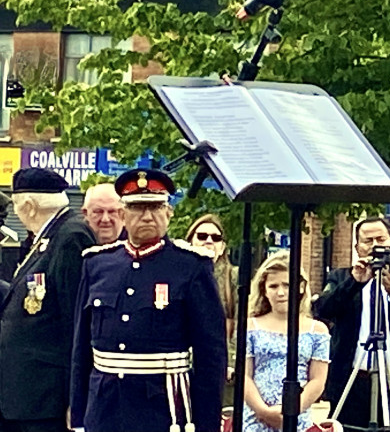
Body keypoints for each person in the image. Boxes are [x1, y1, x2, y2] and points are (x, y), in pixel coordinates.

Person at [69, 169, 227, 432]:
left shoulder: (191, 266)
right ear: (123, 215)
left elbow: (211, 355)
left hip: (162, 408)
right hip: (105, 405)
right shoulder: (97, 263)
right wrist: (78, 415)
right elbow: (81, 348)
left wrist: (206, 423)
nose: (147, 216)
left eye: (155, 208)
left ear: (168, 213)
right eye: (137, 208)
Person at [0, 169, 95, 432]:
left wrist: (74, 399)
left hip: (46, 399)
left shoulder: (70, 237)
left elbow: (75, 323)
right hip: (26, 398)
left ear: (29, 206)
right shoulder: (47, 238)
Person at [314, 217, 390, 432]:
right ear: (357, 247)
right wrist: (353, 282)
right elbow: (323, 309)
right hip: (352, 379)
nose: (375, 246)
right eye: (368, 240)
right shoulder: (341, 276)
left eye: (380, 239)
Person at [243, 252, 330, 432]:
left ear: (299, 287)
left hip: (297, 417)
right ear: (264, 290)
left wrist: (291, 410)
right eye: (273, 286)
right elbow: (244, 375)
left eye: (287, 285)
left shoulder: (318, 330)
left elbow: (317, 380)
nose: (280, 292)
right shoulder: (250, 326)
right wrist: (263, 410)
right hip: (255, 417)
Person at [185, 214, 239, 405]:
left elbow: (243, 323)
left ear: (223, 247)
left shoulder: (233, 278)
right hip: (182, 368)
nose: (209, 241)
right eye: (202, 236)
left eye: (216, 238)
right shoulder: (177, 274)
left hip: (220, 369)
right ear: (190, 240)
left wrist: (230, 362)